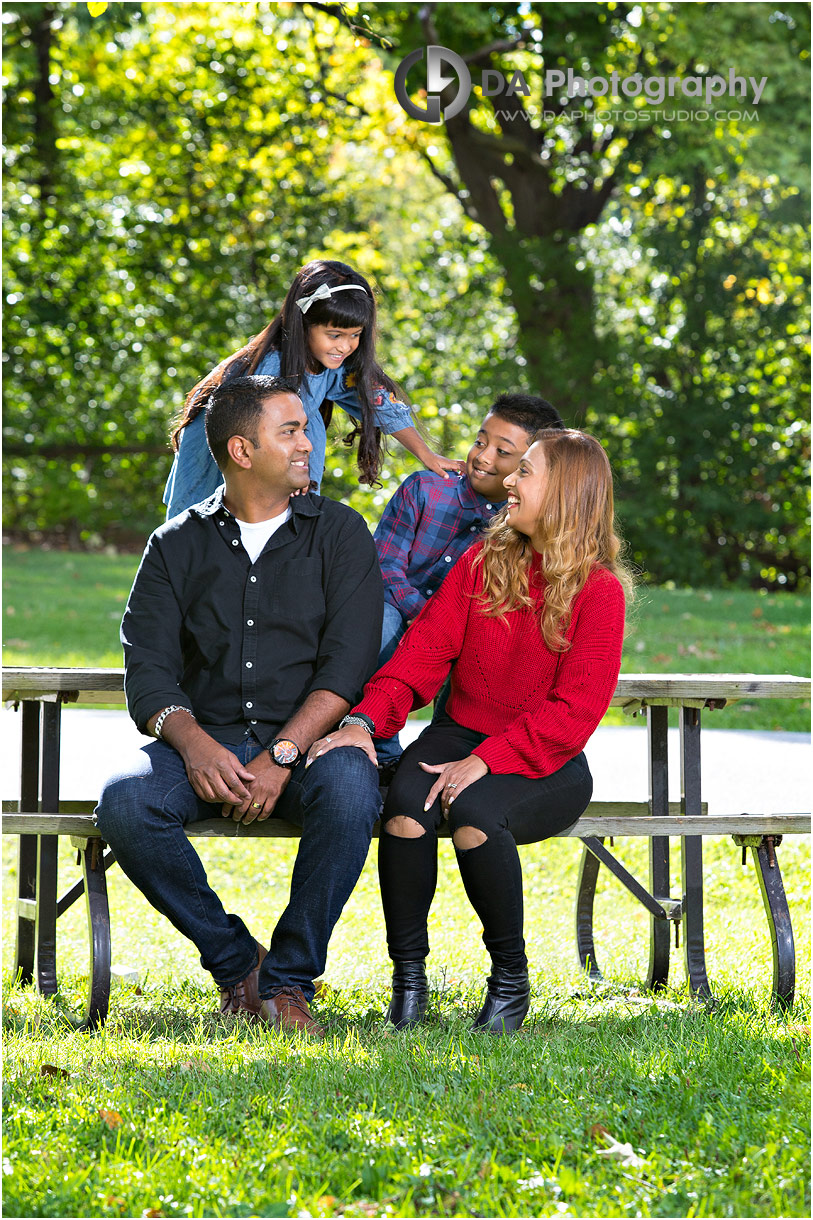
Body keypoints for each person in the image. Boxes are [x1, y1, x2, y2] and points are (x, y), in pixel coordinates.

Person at [307, 429, 632, 1035]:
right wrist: (362, 721)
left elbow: (573, 711)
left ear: (564, 493)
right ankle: (409, 983)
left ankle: (510, 981)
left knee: (475, 815)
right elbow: (422, 654)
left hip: (547, 756)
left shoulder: (600, 592)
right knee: (404, 806)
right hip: (459, 733)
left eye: (526, 472)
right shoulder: (483, 562)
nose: (508, 480)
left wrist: (486, 761)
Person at [96, 375, 385, 1039]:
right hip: (207, 742)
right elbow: (149, 670)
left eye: (304, 428)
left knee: (349, 791)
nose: (307, 442)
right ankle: (238, 967)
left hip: (308, 746)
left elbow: (346, 667)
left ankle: (288, 984)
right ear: (242, 450)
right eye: (289, 431)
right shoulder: (174, 544)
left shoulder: (340, 534)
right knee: (126, 803)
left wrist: (284, 754)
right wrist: (195, 746)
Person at [163, 259, 463, 517]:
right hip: (222, 472)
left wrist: (428, 456)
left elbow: (381, 403)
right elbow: (254, 449)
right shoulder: (269, 373)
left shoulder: (335, 365)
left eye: (355, 335)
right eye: (334, 335)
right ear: (303, 323)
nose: (345, 346)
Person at [373, 394, 564, 768]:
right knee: (382, 622)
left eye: (503, 452)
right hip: (396, 610)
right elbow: (384, 566)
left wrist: (446, 628)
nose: (483, 457)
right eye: (480, 441)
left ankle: (448, 742)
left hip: (462, 634)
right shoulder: (425, 489)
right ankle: (378, 745)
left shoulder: (519, 523)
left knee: (477, 650)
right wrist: (426, 617)